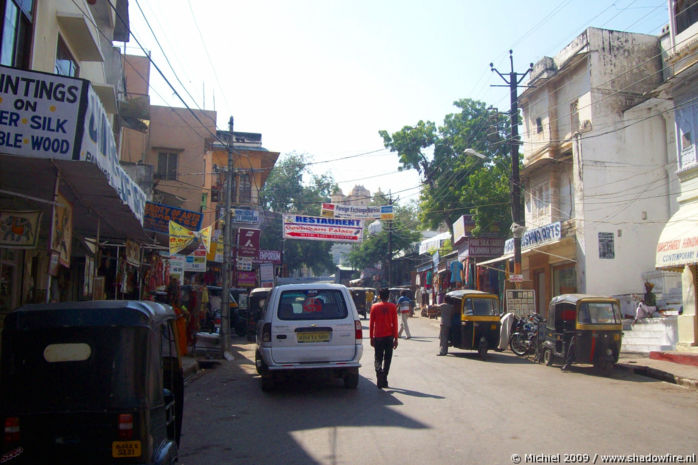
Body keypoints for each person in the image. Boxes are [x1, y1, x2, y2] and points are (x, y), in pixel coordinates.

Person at [369, 287, 398, 389]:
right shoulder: (392, 307)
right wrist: (396, 338)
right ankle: (384, 377)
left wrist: (371, 337)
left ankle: (379, 372)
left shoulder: (374, 307)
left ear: (379, 296)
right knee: (388, 358)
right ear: (388, 296)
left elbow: (371, 324)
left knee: (378, 357)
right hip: (389, 337)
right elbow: (395, 324)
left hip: (378, 336)